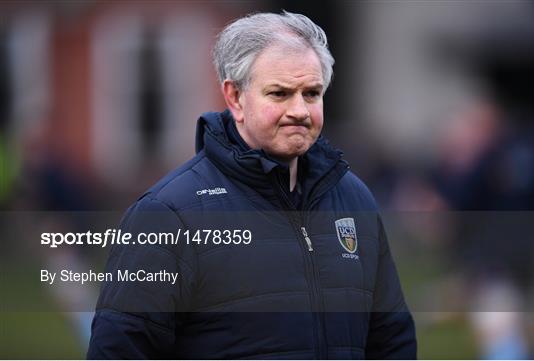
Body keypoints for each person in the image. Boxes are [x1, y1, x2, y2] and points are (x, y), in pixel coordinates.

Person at [87, 11, 416, 359]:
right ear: (235, 97)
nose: (300, 110)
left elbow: (392, 342)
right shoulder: (167, 214)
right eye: (280, 93)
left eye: (312, 93)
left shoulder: (354, 199)